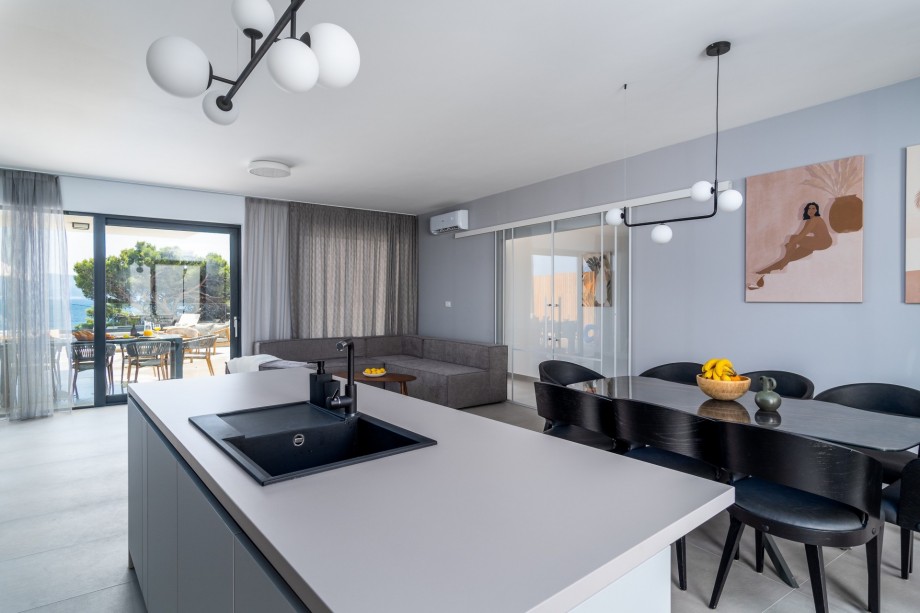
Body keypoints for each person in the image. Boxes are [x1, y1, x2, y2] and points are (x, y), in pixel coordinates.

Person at [748, 202, 832, 290]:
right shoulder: (809, 220)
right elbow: (801, 235)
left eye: (814, 208)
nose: (811, 210)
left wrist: (791, 244)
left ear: (817, 211)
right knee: (791, 256)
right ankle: (761, 275)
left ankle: (783, 264)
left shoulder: (815, 219)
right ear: (806, 210)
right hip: (815, 244)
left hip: (823, 242)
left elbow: (802, 235)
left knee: (792, 240)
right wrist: (792, 244)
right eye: (809, 208)